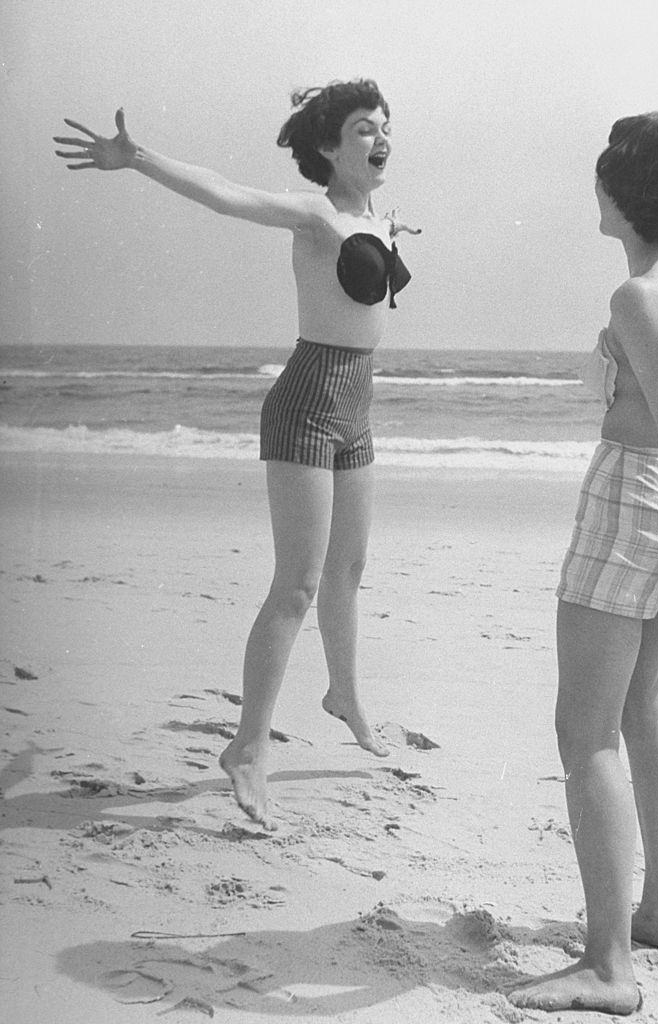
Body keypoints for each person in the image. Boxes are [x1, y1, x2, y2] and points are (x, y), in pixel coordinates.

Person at [54, 79, 420, 829]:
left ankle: (343, 692)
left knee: (349, 570)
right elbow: (224, 194)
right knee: (298, 585)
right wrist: (139, 157)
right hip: (306, 407)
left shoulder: (376, 218)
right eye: (360, 128)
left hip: (358, 405)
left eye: (383, 127)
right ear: (326, 147)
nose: (379, 138)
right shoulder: (314, 214)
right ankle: (248, 748)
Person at [508, 112, 658, 1014]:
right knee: (648, 713)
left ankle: (609, 965)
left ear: (617, 192)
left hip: (632, 502)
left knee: (587, 733)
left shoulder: (640, 297)